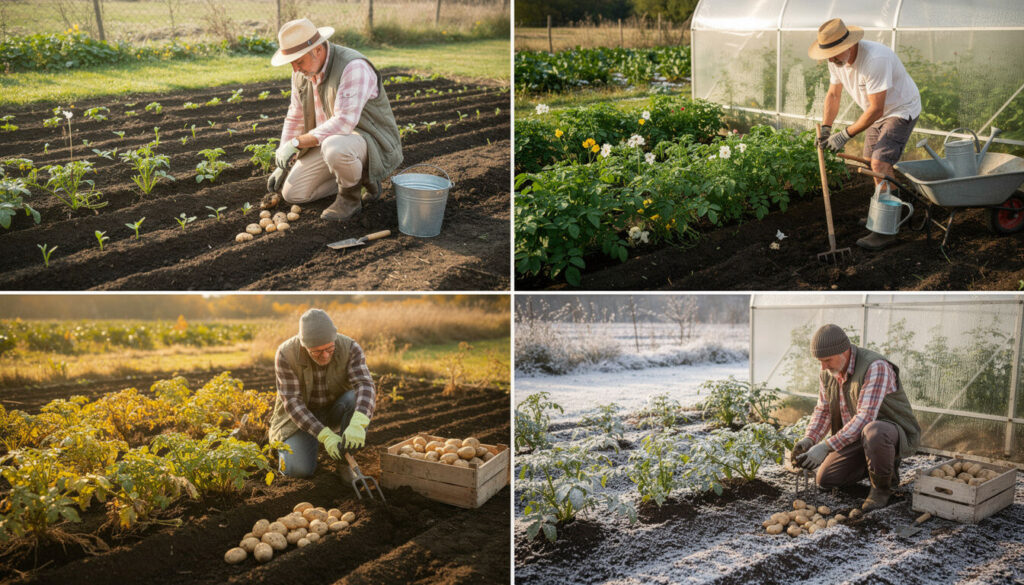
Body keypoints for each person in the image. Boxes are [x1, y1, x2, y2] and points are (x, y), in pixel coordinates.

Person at [265, 18, 403, 221]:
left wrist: (296, 143)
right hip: (330, 141)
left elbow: (343, 123)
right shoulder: (301, 74)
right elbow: (295, 115)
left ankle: (350, 199)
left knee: (335, 147)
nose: (295, 69)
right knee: (294, 194)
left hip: (369, 140)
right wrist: (283, 157)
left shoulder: (353, 66)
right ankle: (354, 176)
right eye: (291, 63)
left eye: (299, 61)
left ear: (317, 50)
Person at [809, 18, 921, 251]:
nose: (830, 59)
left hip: (900, 109)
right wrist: (827, 128)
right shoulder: (836, 61)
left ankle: (885, 231)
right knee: (871, 162)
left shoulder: (875, 59)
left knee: (880, 163)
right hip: (876, 113)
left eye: (834, 54)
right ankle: (891, 209)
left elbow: (877, 109)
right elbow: (833, 95)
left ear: (849, 45)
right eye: (827, 55)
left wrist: (844, 135)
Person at [791, 324, 921, 512]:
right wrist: (809, 439)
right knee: (826, 479)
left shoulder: (875, 367)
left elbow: (865, 418)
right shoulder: (828, 372)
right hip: (857, 436)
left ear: (844, 352)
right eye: (819, 361)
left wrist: (826, 446)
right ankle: (875, 464)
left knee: (874, 431)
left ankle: (882, 488)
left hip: (889, 433)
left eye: (827, 360)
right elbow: (824, 410)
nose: (823, 367)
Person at [268, 308, 376, 480]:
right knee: (299, 471)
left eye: (329, 348)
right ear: (304, 346)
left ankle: (345, 462)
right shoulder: (286, 354)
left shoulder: (350, 347)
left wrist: (359, 422)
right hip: (300, 418)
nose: (325, 355)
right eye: (317, 351)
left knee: (356, 397)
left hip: (334, 410)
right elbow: (293, 402)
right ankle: (287, 450)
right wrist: (324, 435)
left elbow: (365, 384)